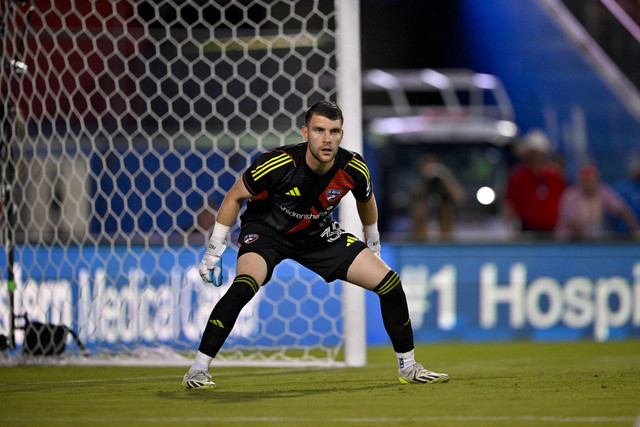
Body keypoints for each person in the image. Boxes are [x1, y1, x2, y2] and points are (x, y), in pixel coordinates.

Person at [182, 101, 449, 389]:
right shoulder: (279, 163)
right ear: (306, 132)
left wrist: (372, 241)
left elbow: (366, 200)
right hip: (267, 231)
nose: (327, 138)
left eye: (334, 131)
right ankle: (198, 369)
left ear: (341, 135)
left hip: (315, 233)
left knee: (390, 284)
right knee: (245, 284)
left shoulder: (353, 167)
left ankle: (408, 367)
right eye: (319, 130)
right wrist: (214, 250)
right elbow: (234, 196)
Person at [503, 129, 566, 239]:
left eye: (540, 154)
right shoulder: (518, 177)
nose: (537, 157)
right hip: (527, 230)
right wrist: (510, 227)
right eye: (533, 153)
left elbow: (564, 202)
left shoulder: (555, 177)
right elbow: (509, 203)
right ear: (527, 155)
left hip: (553, 231)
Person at [554, 164, 640, 241]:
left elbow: (621, 209)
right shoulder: (570, 195)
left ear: (596, 180)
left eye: (591, 181)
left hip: (594, 240)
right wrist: (588, 235)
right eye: (586, 181)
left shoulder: (603, 191)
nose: (588, 184)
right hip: (569, 242)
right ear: (580, 181)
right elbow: (572, 224)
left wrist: (635, 228)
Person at [411, 153, 465, 241]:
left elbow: (459, 197)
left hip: (445, 233)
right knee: (420, 209)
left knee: (447, 209)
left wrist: (444, 176)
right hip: (422, 236)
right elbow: (416, 197)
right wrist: (426, 180)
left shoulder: (445, 180)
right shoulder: (419, 182)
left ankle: (445, 239)